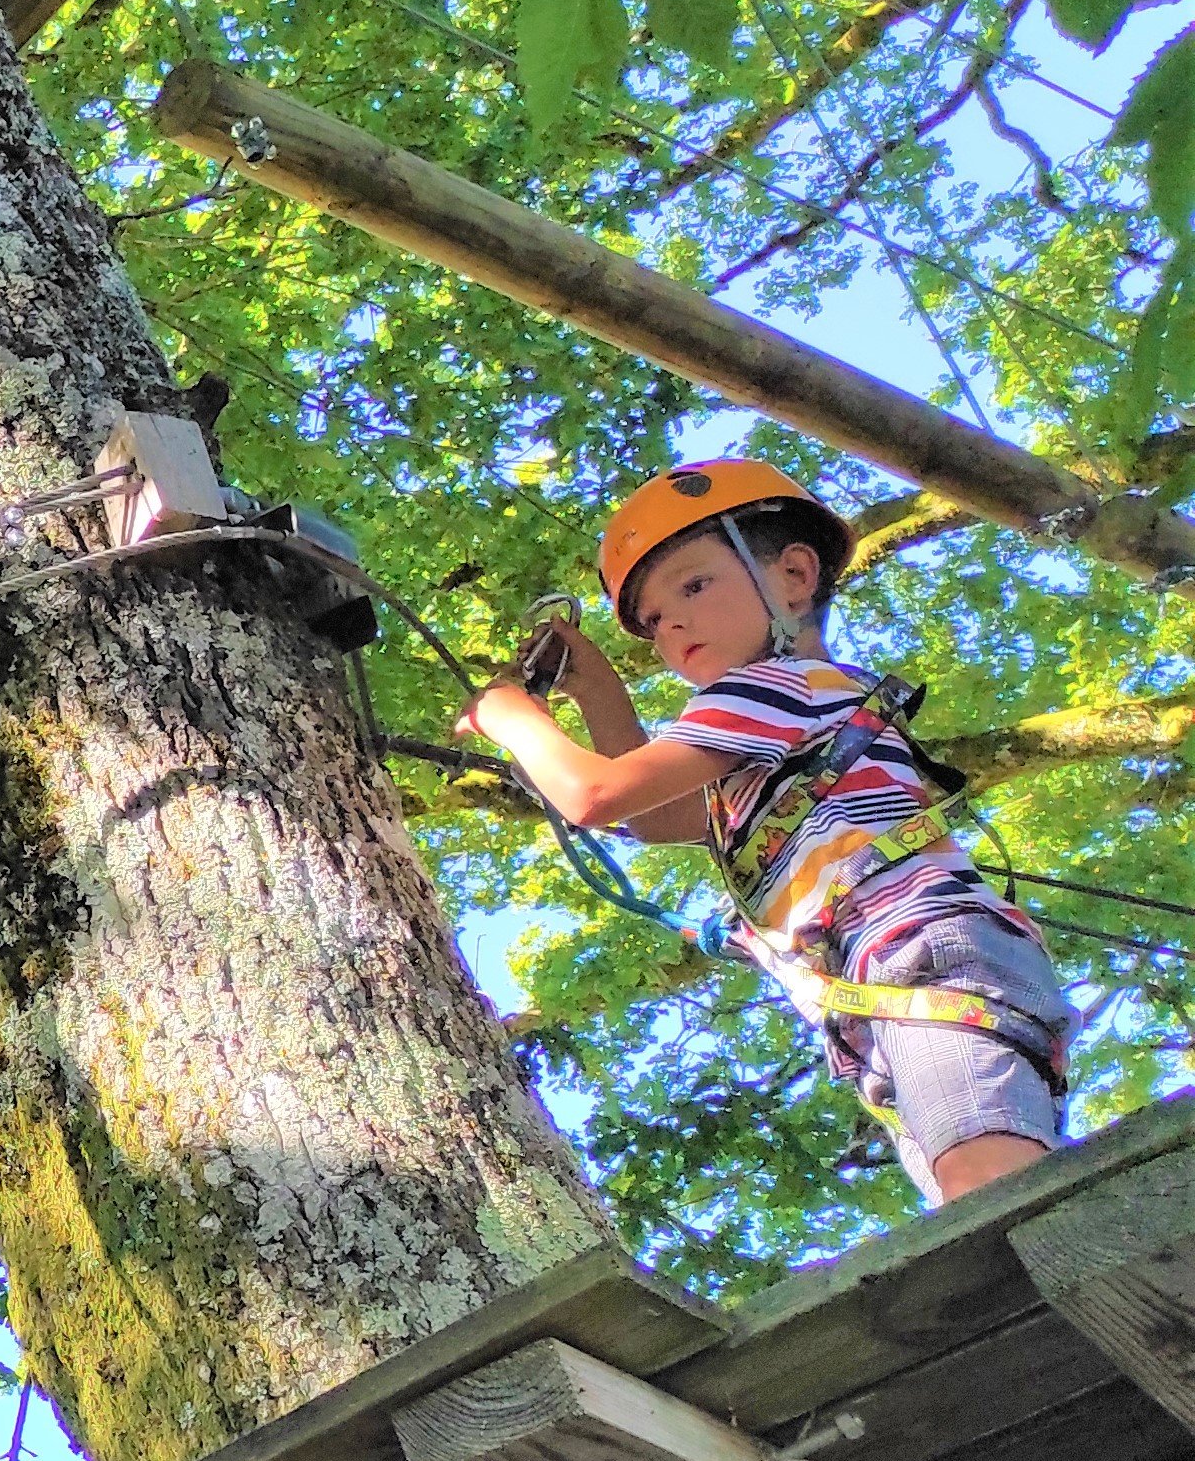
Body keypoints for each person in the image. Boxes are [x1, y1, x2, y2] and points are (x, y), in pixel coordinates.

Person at [459, 457, 1072, 1205]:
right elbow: (657, 814)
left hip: (915, 949)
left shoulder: (776, 688)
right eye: (653, 620)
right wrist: (597, 689)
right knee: (971, 1187)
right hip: (881, 980)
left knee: (994, 1192)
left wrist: (512, 719)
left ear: (793, 576)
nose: (672, 622)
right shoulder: (787, 722)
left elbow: (597, 794)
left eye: (692, 585)